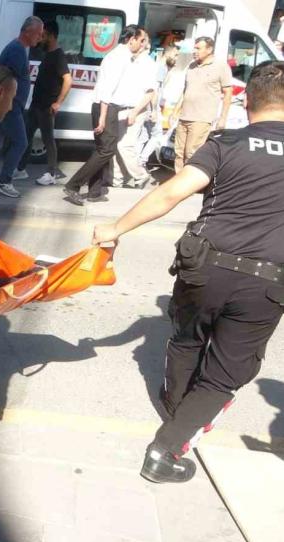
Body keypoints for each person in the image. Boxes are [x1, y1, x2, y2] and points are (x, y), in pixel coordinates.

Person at [92, 61, 284, 484]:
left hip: (204, 266)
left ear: (247, 102)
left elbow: (171, 193)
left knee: (186, 339)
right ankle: (167, 448)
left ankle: (177, 411)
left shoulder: (226, 143)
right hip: (267, 281)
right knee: (226, 373)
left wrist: (115, 228)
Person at [62, 25, 147, 206]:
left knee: (102, 148)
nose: (142, 45)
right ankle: (73, 185)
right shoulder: (119, 57)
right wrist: (102, 117)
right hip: (105, 107)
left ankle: (95, 191)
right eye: (141, 41)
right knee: (107, 149)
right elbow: (107, 89)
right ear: (131, 39)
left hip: (106, 107)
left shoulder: (120, 56)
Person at [0, 16, 43, 198]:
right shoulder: (16, 50)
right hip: (10, 106)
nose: (40, 38)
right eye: (38, 33)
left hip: (12, 105)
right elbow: (8, 80)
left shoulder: (19, 49)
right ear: (28, 32)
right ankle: (4, 181)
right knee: (20, 142)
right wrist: (9, 104)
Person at [18, 20, 71, 186]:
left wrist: (58, 103)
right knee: (26, 136)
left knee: (48, 140)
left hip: (47, 107)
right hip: (36, 105)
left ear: (52, 36)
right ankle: (20, 169)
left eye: (44, 34)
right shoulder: (47, 53)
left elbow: (68, 80)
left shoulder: (58, 55)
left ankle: (51, 173)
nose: (41, 37)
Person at [171, 37, 232, 174]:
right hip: (184, 116)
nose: (194, 51)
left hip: (201, 118)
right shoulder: (192, 66)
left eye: (198, 48)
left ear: (209, 49)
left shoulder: (220, 66)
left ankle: (190, 181)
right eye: (194, 48)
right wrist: (175, 111)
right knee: (179, 153)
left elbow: (228, 92)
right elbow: (185, 91)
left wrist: (223, 118)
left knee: (192, 153)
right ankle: (178, 180)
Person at [111, 38, 156, 188]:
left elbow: (150, 92)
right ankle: (117, 180)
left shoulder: (147, 64)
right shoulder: (129, 60)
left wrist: (135, 112)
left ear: (142, 45)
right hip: (122, 108)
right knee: (117, 145)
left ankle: (140, 175)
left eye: (135, 41)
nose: (131, 44)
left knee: (125, 145)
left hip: (135, 109)